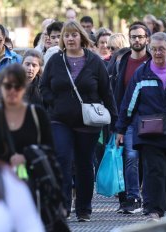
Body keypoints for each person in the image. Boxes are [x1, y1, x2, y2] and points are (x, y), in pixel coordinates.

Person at [40, 21, 118, 221]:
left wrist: (116, 123)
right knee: (63, 159)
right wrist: (54, 103)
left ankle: (84, 208)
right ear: (63, 39)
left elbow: (106, 92)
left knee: (84, 163)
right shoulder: (56, 61)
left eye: (74, 35)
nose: (70, 38)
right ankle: (64, 206)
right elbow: (44, 86)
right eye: (67, 35)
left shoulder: (95, 62)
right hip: (60, 120)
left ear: (81, 37)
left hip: (88, 122)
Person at [116, 32, 166, 220]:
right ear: (150, 50)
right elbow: (129, 103)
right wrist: (121, 129)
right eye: (155, 49)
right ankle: (153, 210)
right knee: (154, 171)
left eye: (162, 49)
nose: (158, 53)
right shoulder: (141, 73)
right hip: (151, 132)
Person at [109, 22, 150, 214]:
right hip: (128, 117)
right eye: (133, 36)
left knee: (149, 159)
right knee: (130, 156)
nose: (137, 40)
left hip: (151, 117)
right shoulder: (122, 61)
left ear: (146, 39)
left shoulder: (153, 61)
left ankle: (150, 198)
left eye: (140, 36)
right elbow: (118, 92)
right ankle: (132, 197)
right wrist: (118, 125)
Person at [0, 63, 53, 165]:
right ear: (0, 87)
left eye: (17, 87)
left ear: (24, 88)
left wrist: (27, 156)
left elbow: (50, 149)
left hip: (29, 178)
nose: (12, 91)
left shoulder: (37, 114)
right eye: (8, 86)